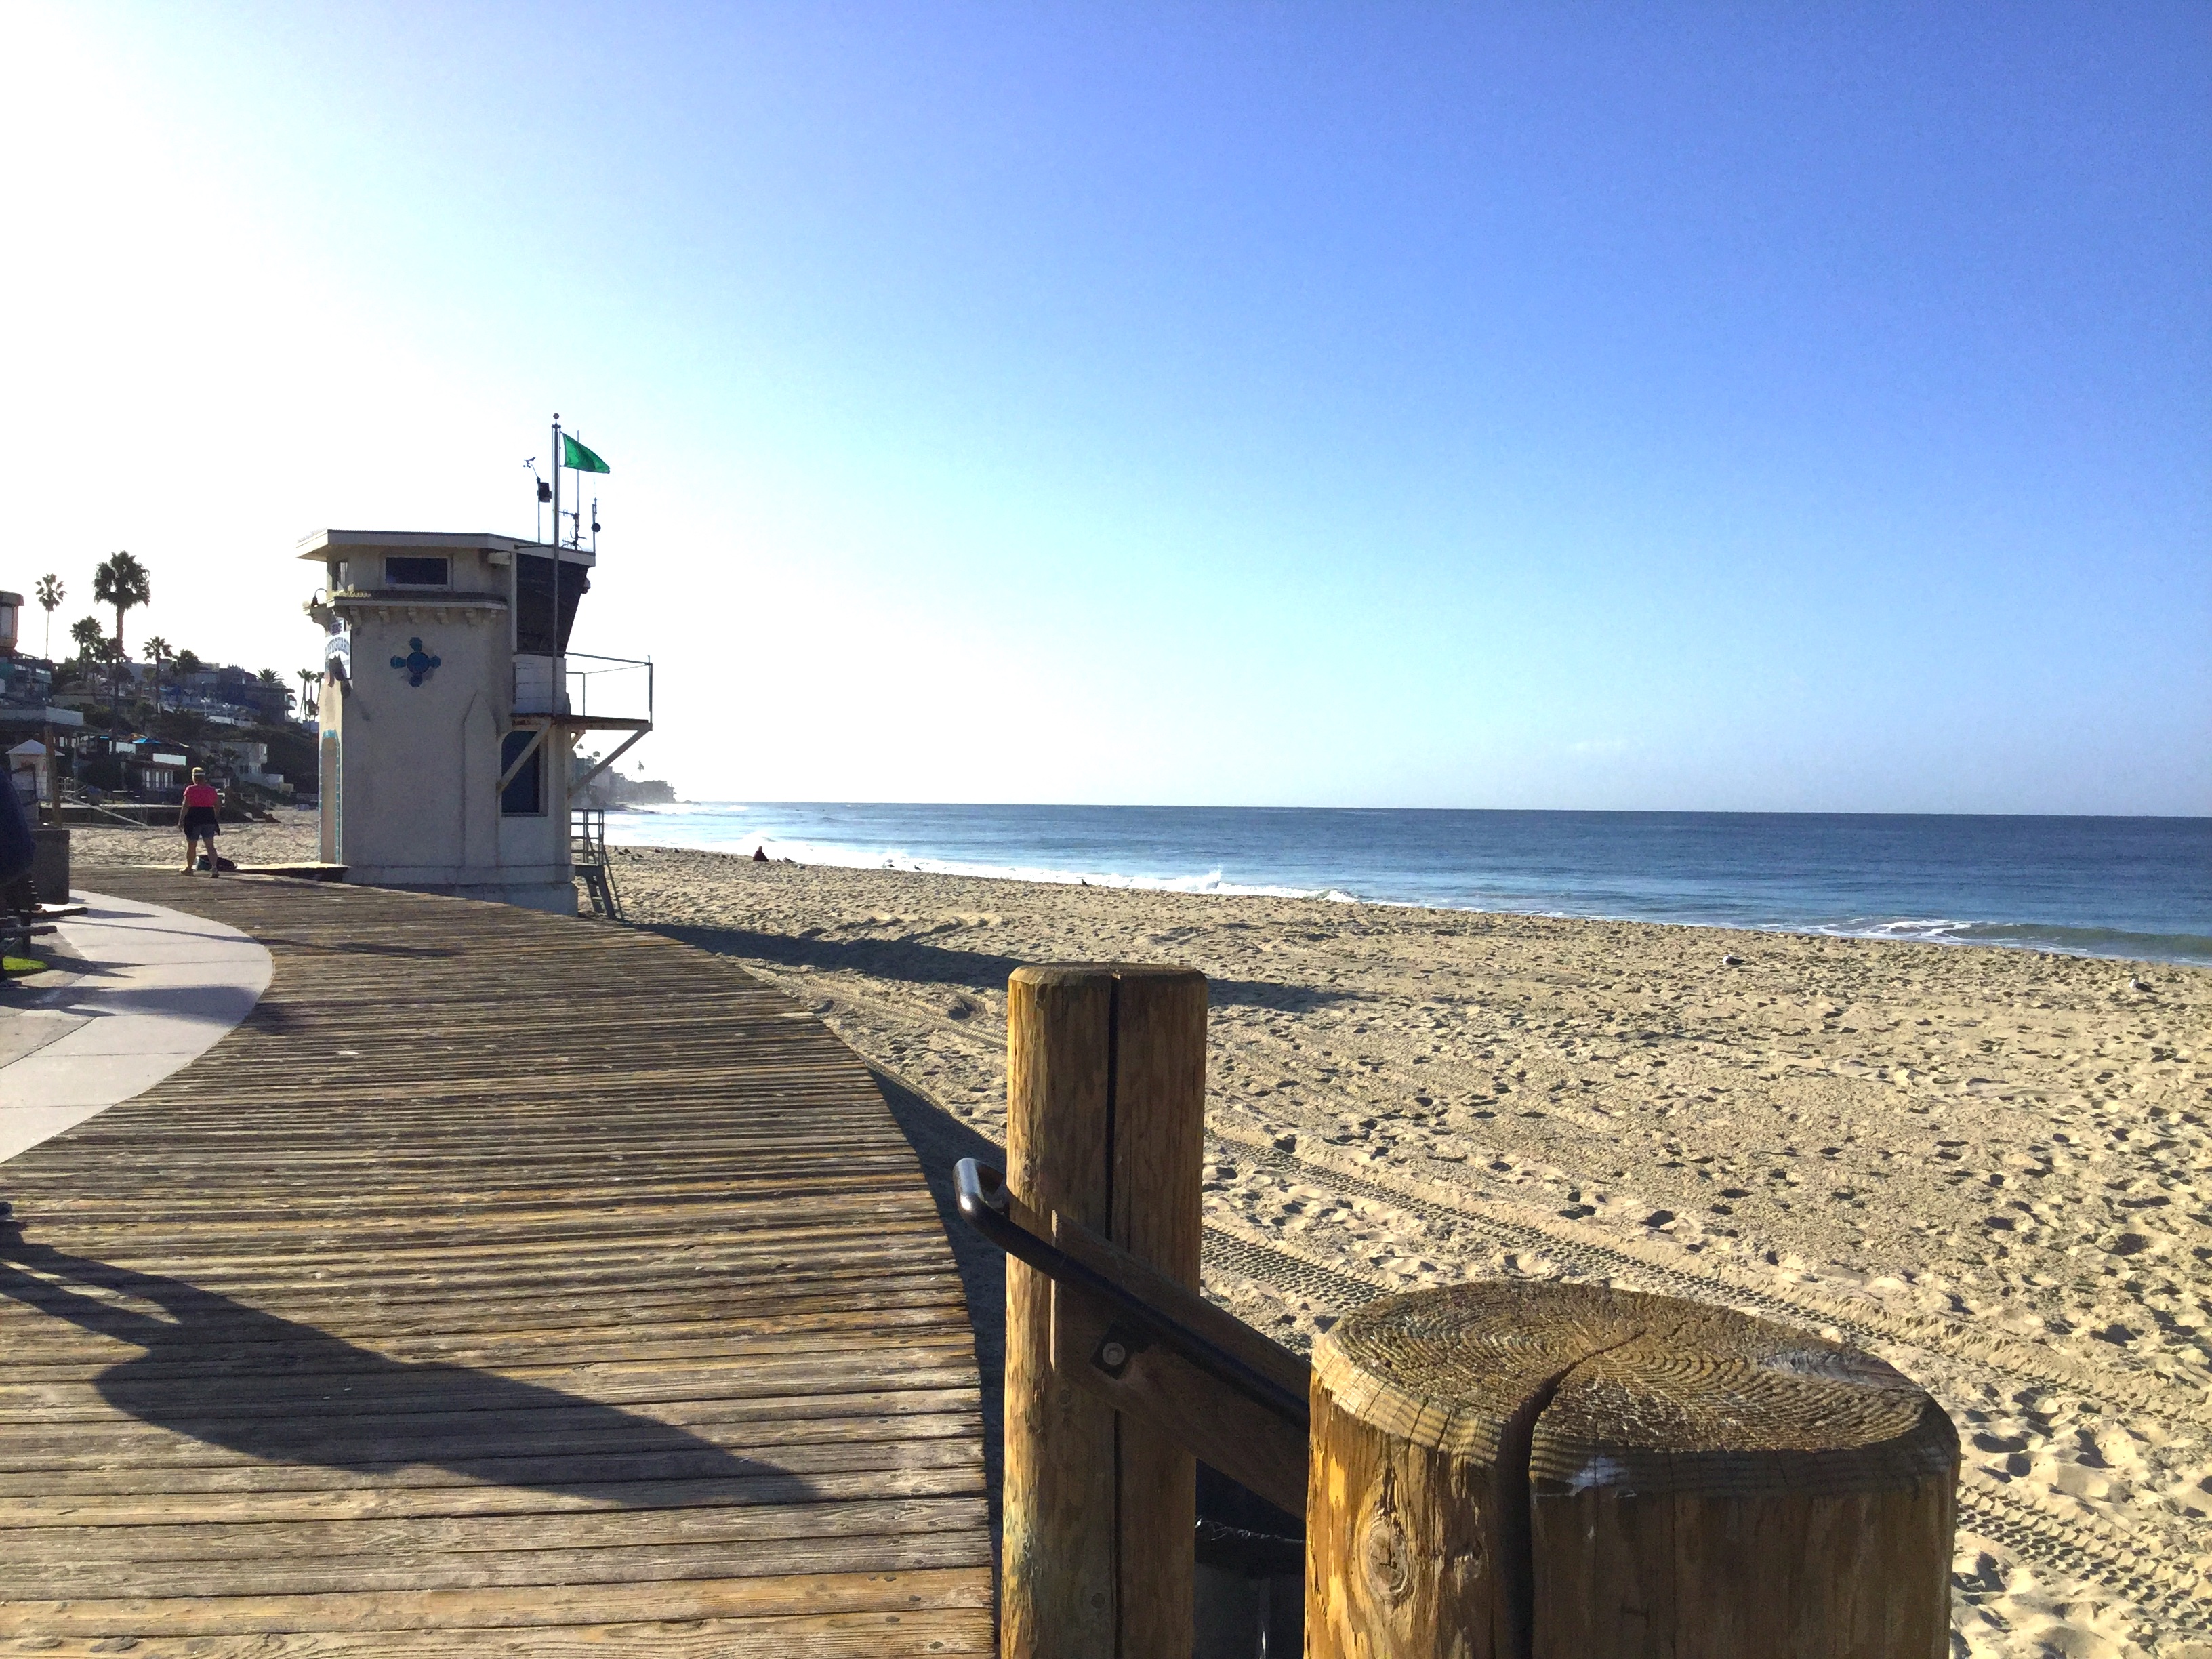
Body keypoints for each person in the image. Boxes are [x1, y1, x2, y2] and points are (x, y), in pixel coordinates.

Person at [179, 769, 222, 876]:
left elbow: (186, 806)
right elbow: (217, 804)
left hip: (194, 817)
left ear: (194, 777)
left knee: (192, 845)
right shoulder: (211, 790)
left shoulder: (190, 789)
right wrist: (215, 815)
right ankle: (214, 869)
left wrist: (181, 820)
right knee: (210, 846)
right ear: (204, 778)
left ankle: (189, 868)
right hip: (208, 816)